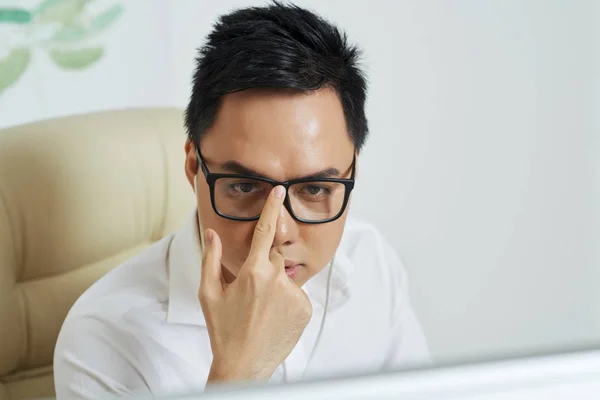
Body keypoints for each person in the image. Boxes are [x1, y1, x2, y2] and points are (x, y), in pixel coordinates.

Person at [54, 2, 431, 398]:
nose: (277, 233)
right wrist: (237, 372)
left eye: (315, 189)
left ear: (352, 172)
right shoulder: (102, 338)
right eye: (245, 186)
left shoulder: (370, 259)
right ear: (193, 167)